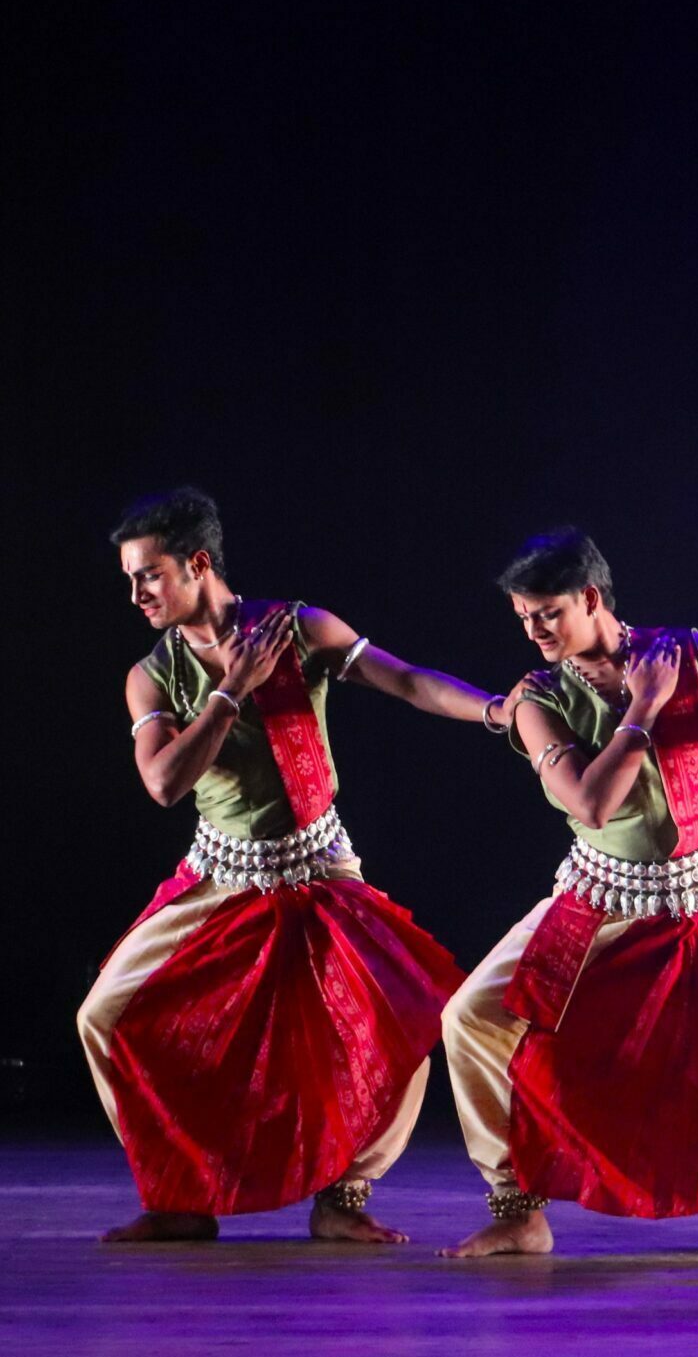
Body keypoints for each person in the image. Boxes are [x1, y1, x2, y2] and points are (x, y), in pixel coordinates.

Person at [86, 487, 484, 1244]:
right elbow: (166, 782)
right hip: (219, 876)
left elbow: (405, 679)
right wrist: (231, 690)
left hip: (320, 867)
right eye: (130, 579)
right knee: (104, 1014)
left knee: (404, 1014)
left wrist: (495, 712)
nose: (136, 594)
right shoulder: (152, 675)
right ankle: (181, 1194)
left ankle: (346, 1194)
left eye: (150, 574)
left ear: (197, 562)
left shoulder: (299, 629)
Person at [439, 529, 698, 1258]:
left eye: (548, 613)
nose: (534, 632)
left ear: (592, 597)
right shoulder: (541, 699)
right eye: (524, 618)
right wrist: (643, 709)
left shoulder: (689, 652)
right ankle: (516, 1205)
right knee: (473, 1018)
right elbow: (591, 805)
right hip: (601, 898)